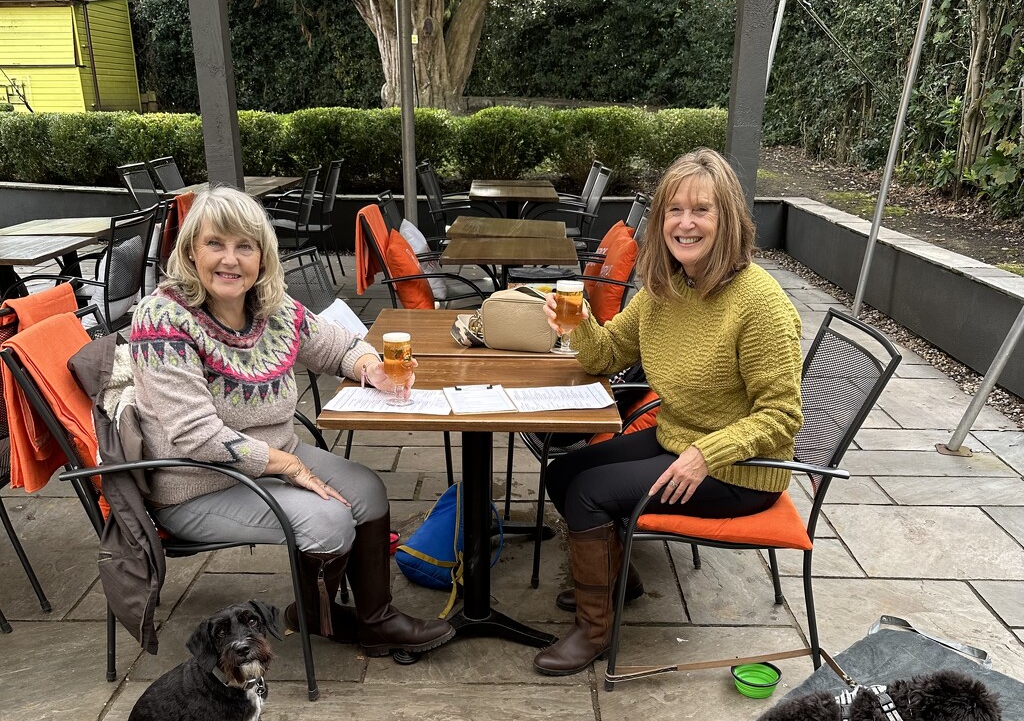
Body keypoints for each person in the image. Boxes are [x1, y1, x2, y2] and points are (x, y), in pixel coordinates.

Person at [129, 185, 454, 656]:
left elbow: (342, 344)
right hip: (198, 481)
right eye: (215, 244)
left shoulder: (271, 307)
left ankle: (373, 620)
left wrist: (372, 369)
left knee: (368, 490)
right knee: (331, 521)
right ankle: (315, 615)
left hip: (274, 459)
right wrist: (290, 466)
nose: (230, 260)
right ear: (190, 252)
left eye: (245, 246)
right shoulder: (163, 320)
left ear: (262, 256)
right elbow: (195, 435)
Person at [535, 148, 803, 676]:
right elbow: (608, 354)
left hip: (740, 470)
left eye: (701, 210)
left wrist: (707, 453)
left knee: (589, 494)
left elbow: (782, 416)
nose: (685, 223)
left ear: (728, 219)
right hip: (678, 436)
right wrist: (579, 322)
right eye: (674, 210)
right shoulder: (666, 288)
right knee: (563, 471)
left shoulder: (759, 303)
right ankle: (619, 576)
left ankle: (595, 629)